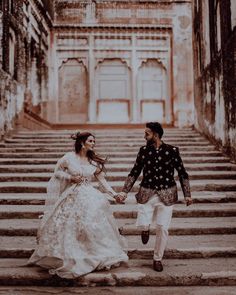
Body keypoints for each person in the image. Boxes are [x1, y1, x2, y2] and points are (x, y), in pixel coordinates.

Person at [28, 131, 128, 278]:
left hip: (90, 196)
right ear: (82, 143)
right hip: (72, 195)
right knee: (69, 225)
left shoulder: (94, 163)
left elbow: (103, 183)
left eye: (94, 141)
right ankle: (69, 255)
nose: (93, 144)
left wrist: (114, 195)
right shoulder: (69, 157)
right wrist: (70, 177)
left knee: (89, 225)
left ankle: (90, 254)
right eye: (90, 141)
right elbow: (57, 173)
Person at [117, 122, 193, 272]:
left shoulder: (172, 150)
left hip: (167, 194)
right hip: (147, 193)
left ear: (156, 135)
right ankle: (145, 229)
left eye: (147, 133)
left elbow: (182, 173)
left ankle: (157, 259)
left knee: (163, 228)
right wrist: (125, 191)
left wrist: (187, 195)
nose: (144, 136)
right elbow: (135, 171)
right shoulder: (144, 151)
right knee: (144, 222)